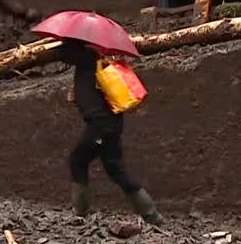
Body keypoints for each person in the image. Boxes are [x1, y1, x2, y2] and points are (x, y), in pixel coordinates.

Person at [59, 38, 164, 225]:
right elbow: (97, 95)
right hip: (111, 124)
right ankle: (153, 216)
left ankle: (79, 214)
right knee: (117, 171)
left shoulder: (86, 58)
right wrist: (78, 98)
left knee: (77, 160)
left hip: (100, 126)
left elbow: (64, 54)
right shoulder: (97, 61)